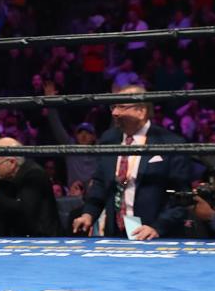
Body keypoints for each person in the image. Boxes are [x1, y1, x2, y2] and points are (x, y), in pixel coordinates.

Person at [72, 86, 191, 240]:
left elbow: (181, 197)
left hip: (155, 236)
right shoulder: (109, 139)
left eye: (121, 107)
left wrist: (157, 227)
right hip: (115, 234)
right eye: (113, 106)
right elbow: (101, 183)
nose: (115, 113)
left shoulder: (170, 142)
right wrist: (88, 214)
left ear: (141, 112)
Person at [0, 137, 57, 236]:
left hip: (43, 239)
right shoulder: (7, 177)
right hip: (21, 237)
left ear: (12, 163)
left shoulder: (34, 174)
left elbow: (24, 210)